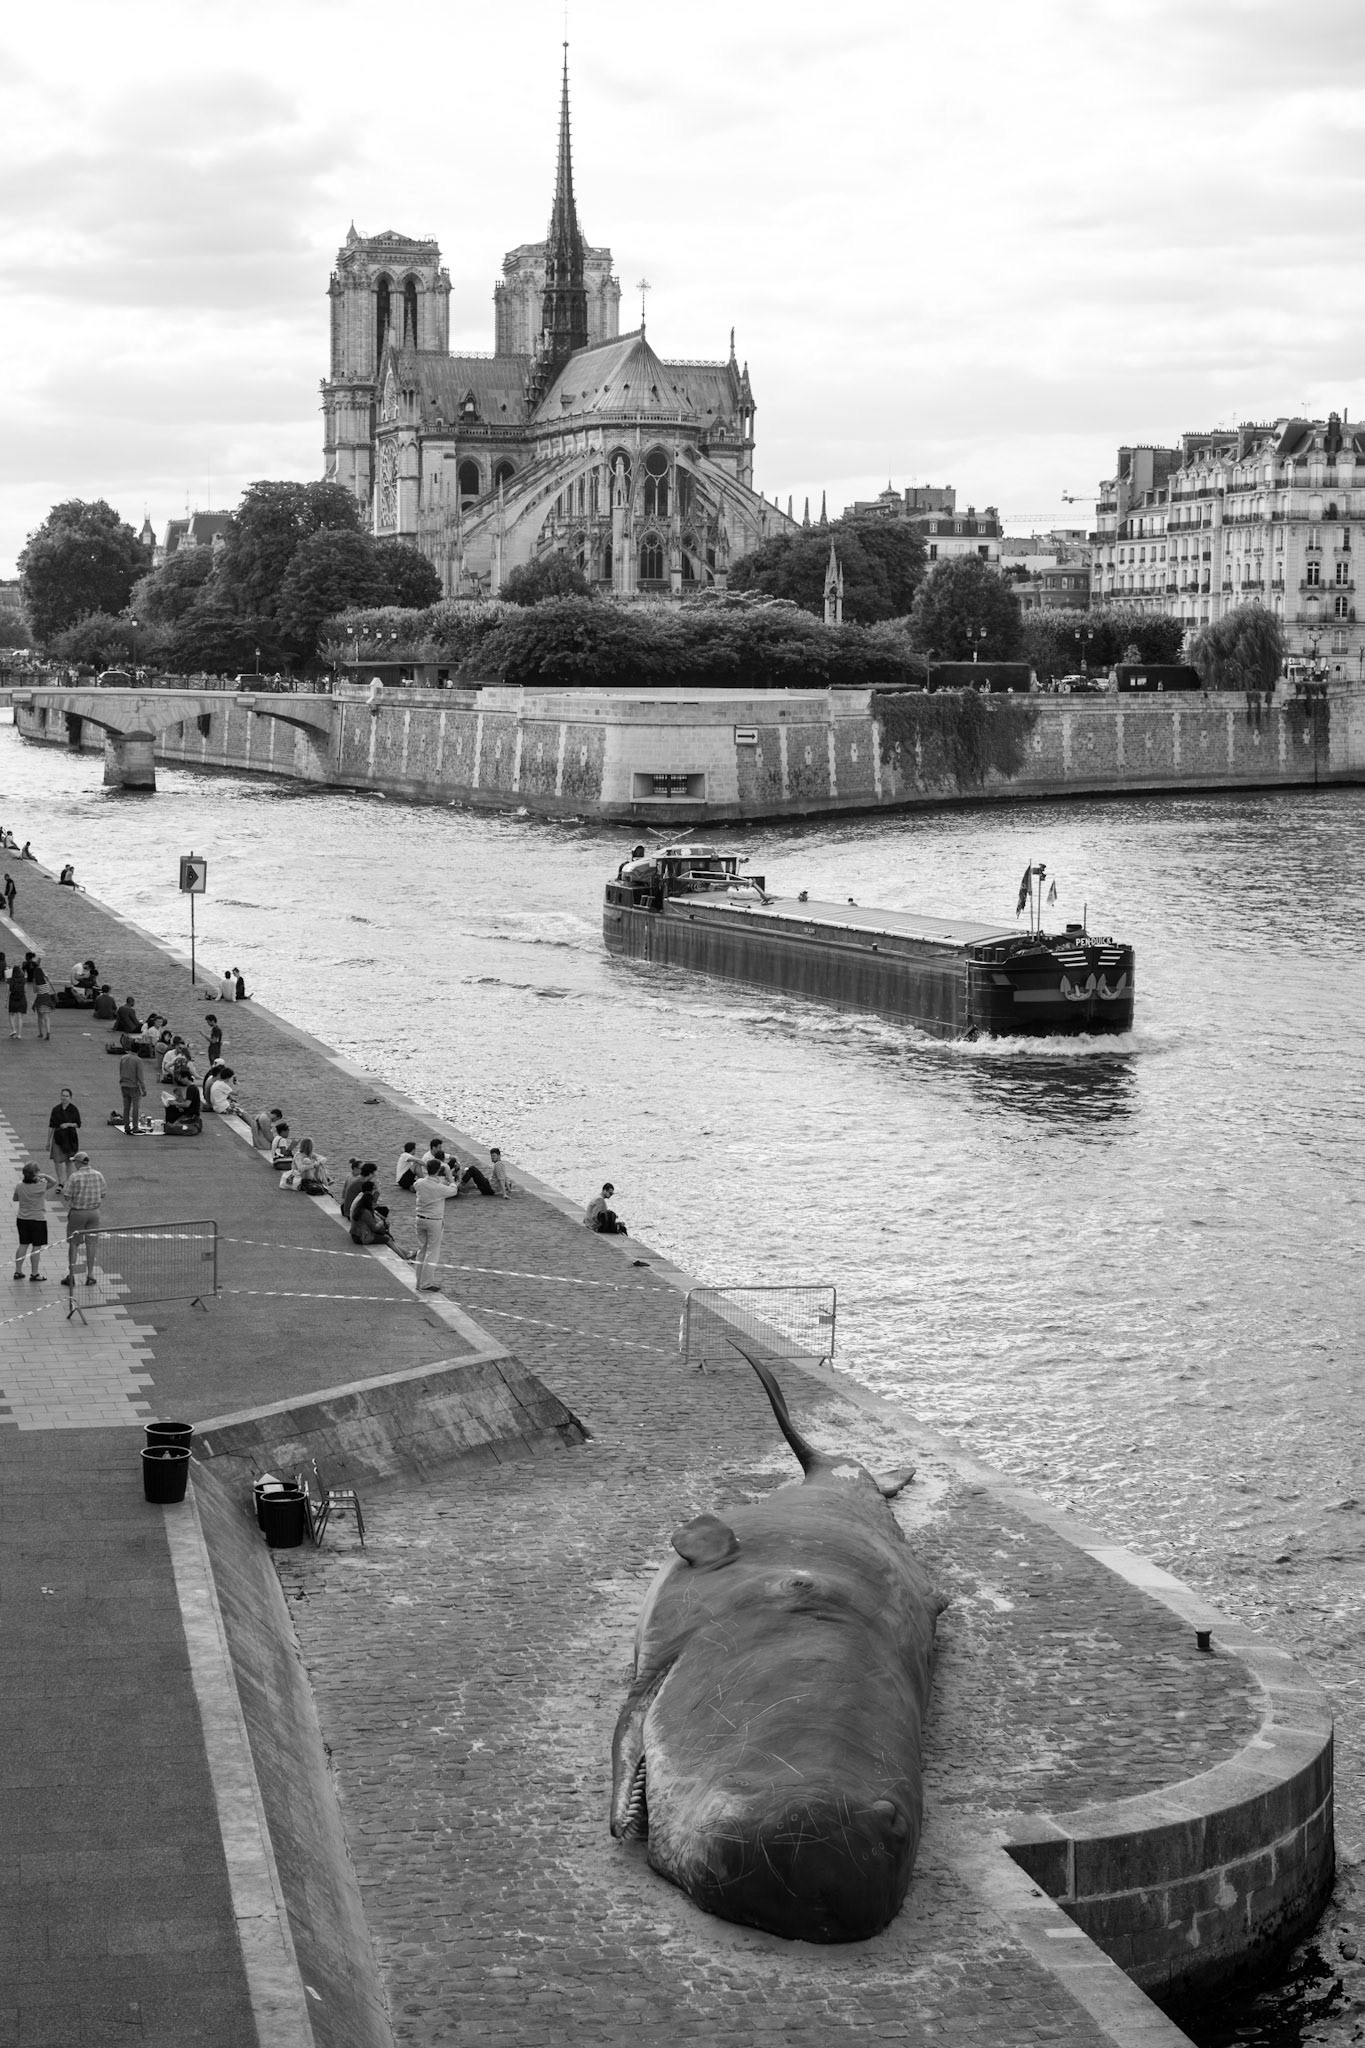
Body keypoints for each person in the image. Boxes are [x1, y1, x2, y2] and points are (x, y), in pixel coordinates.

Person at [413, 1159, 461, 1290]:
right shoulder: (438, 1188)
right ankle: (426, 1283)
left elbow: (417, 1184)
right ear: (438, 1171)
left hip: (419, 1219)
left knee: (421, 1251)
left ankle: (419, 1282)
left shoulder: (420, 1183)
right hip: (433, 1221)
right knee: (432, 1252)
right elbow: (454, 1189)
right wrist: (450, 1176)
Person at [62, 1153, 106, 1287]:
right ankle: (90, 1275)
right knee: (91, 1243)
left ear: (79, 1162)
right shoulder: (98, 1175)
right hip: (94, 1213)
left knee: (74, 1243)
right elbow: (103, 1194)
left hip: (78, 1213)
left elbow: (67, 1196)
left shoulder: (75, 1177)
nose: (74, 1163)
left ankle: (72, 1275)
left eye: (75, 1161)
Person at [13, 1162, 58, 1281]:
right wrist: (44, 1175)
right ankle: (34, 1273)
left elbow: (15, 1198)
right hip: (38, 1219)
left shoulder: (19, 1185)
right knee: (36, 1247)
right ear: (35, 1174)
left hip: (22, 1219)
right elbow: (54, 1182)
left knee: (23, 1244)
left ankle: (18, 1271)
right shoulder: (40, 1186)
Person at [348, 1178, 396, 1248]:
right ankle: (404, 1255)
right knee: (387, 1238)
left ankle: (406, 1254)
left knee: (385, 1232)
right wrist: (381, 1222)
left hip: (358, 1232)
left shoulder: (361, 1202)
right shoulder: (365, 1211)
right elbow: (374, 1228)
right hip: (363, 1236)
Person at [47, 1089, 81, 1187]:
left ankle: (68, 1182)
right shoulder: (56, 1109)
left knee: (69, 1161)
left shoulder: (74, 1109)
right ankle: (61, 1181)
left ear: (70, 1098)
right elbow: (51, 1126)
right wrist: (48, 1141)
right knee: (57, 1161)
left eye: (66, 1096)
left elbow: (78, 1124)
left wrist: (68, 1124)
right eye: (63, 1095)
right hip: (58, 1138)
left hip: (70, 1138)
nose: (64, 1098)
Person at [118, 1044, 146, 1135]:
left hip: (123, 1084)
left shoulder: (123, 1058)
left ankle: (126, 1126)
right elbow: (140, 1077)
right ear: (139, 1051)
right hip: (133, 1086)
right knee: (135, 1107)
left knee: (126, 1107)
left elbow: (120, 1070)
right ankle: (135, 1127)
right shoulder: (138, 1060)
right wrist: (143, 1089)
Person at [31, 963, 55, 1041]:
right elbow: (45, 974)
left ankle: (41, 1033)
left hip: (40, 999)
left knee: (40, 1017)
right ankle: (48, 1032)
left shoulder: (35, 980)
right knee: (47, 1017)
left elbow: (35, 991)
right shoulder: (46, 979)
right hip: (47, 998)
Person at [7, 961, 27, 1039]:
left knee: (11, 1015)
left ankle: (14, 1030)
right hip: (22, 999)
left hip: (13, 999)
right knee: (20, 1017)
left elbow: (7, 992)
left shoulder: (10, 980)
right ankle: (19, 1034)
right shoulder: (23, 980)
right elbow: (25, 991)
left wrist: (5, 1001)